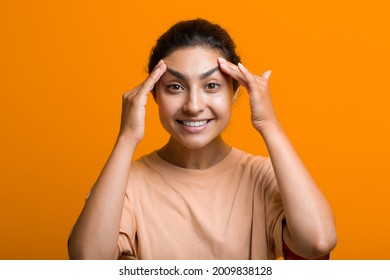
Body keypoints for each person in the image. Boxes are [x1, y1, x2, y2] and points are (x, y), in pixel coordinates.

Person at [68, 18, 337, 260]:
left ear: (234, 92)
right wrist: (126, 137)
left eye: (211, 86)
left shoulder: (262, 176)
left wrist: (269, 123)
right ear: (153, 96)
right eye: (175, 87)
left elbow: (318, 242)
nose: (194, 105)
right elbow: (88, 261)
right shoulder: (124, 184)